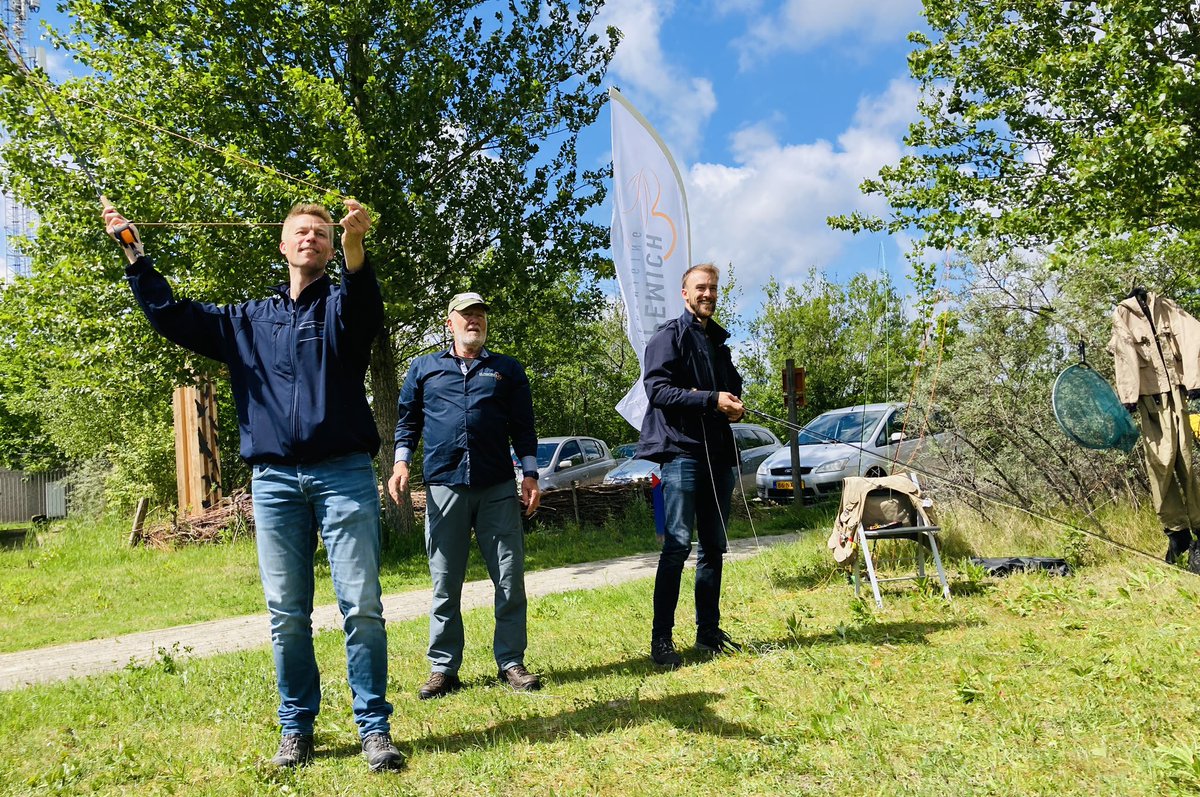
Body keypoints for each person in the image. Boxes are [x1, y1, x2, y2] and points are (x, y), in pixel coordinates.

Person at [102, 199, 403, 772]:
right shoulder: (245, 322)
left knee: (361, 606)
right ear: (283, 245)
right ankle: (297, 728)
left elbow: (364, 306)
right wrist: (133, 251)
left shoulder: (342, 308)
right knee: (287, 614)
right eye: (301, 232)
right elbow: (172, 315)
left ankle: (374, 730)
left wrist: (356, 247)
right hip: (272, 481)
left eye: (321, 232)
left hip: (343, 474)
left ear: (330, 245)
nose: (311, 238)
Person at [388, 292, 542, 699]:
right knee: (445, 582)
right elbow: (408, 422)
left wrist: (530, 474)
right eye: (466, 315)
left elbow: (523, 426)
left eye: (479, 316)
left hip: (496, 488)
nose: (474, 321)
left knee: (509, 578)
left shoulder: (506, 369)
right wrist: (401, 463)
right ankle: (443, 668)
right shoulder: (424, 368)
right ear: (450, 323)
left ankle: (510, 661)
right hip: (444, 486)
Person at [635, 262, 745, 669]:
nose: (708, 295)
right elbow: (658, 390)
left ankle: (708, 633)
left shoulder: (719, 341)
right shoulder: (668, 336)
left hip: (718, 456)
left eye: (713, 289)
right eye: (701, 288)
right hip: (681, 454)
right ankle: (661, 641)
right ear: (685, 293)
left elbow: (731, 389)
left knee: (714, 547)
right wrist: (708, 398)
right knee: (678, 546)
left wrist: (732, 405)